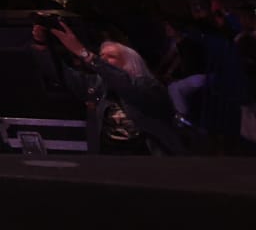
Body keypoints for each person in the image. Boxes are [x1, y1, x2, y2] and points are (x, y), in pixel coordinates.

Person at [44, 20, 183, 154]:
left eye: (111, 56)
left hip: (148, 158)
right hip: (110, 160)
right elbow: (62, 75)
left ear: (129, 62)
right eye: (101, 56)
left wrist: (85, 54)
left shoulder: (148, 86)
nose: (102, 60)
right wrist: (43, 46)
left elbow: (126, 85)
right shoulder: (96, 86)